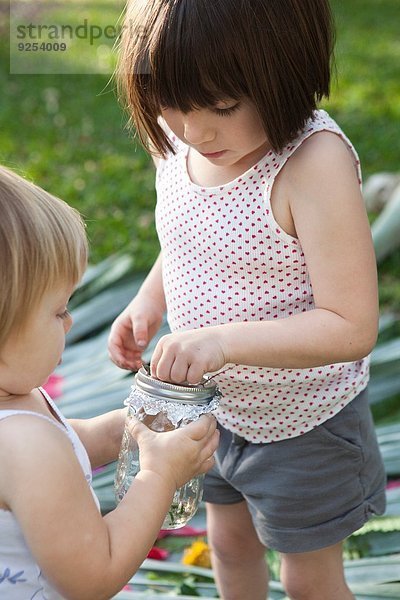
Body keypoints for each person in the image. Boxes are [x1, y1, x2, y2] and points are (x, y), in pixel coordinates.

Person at [108, 1, 387, 598]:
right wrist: (147, 304)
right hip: (213, 414)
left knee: (307, 578)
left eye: (223, 107)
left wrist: (220, 342)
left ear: (284, 72)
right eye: (172, 104)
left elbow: (351, 324)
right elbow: (191, 238)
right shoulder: (181, 144)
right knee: (230, 550)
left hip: (303, 424)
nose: (195, 130)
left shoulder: (311, 165)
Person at [0, 165, 219, 600]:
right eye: (58, 310)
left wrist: (128, 428)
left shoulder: (17, 407)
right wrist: (159, 473)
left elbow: (63, 445)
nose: (70, 322)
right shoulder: (25, 445)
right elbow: (93, 576)